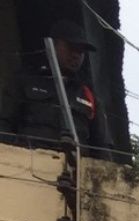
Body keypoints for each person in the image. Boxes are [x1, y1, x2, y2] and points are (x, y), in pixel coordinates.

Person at [1, 17, 112, 157]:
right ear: (53, 45)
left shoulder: (88, 94)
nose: (76, 55)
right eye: (71, 47)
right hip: (27, 164)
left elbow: (102, 146)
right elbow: (4, 123)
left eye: (80, 51)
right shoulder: (26, 80)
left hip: (75, 166)